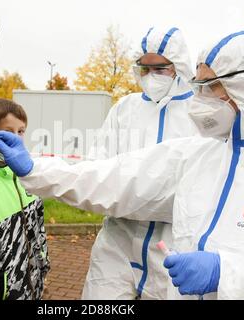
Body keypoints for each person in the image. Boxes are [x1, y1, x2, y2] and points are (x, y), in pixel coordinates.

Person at [0, 29, 244, 299]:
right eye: (198, 85)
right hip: (121, 249)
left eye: (211, 86)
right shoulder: (201, 154)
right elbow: (115, 177)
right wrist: (35, 169)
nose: (200, 97)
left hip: (163, 262)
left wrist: (228, 275)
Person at [84, 27, 197, 299]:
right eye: (144, 69)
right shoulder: (125, 108)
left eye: (159, 69)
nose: (151, 77)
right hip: (117, 240)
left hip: (171, 244)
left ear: (179, 66)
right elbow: (97, 166)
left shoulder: (198, 112)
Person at [0, 99, 50, 300]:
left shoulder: (28, 174)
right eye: (8, 131)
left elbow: (39, 225)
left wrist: (42, 263)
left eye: (21, 131)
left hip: (33, 285)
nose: (16, 138)